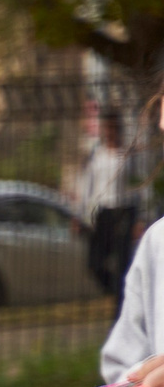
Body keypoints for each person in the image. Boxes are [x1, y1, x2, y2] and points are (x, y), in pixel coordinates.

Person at [76, 108, 137, 305]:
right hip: (104, 212)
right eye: (107, 128)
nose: (110, 132)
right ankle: (118, 290)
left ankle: (121, 304)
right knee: (94, 263)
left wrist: (140, 218)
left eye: (113, 128)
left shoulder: (127, 154)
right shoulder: (97, 155)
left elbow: (137, 185)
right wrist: (80, 214)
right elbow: (87, 186)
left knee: (122, 263)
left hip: (123, 211)